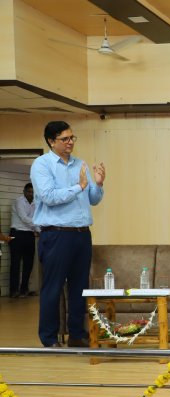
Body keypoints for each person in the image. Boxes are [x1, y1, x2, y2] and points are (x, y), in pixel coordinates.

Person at [31, 121, 106, 348]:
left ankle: (76, 334)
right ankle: (49, 338)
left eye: (72, 138)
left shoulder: (79, 164)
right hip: (56, 235)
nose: (70, 142)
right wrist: (79, 187)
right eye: (65, 139)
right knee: (53, 288)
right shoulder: (41, 165)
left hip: (82, 234)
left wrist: (99, 185)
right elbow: (49, 197)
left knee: (79, 287)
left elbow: (92, 199)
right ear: (51, 141)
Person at [10, 183, 40, 298]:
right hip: (17, 234)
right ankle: (14, 291)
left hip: (29, 235)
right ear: (24, 192)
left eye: (33, 192)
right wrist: (39, 229)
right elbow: (24, 218)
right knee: (15, 264)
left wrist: (37, 228)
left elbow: (36, 218)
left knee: (29, 264)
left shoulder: (35, 203)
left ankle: (24, 290)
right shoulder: (19, 201)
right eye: (28, 192)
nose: (31, 194)